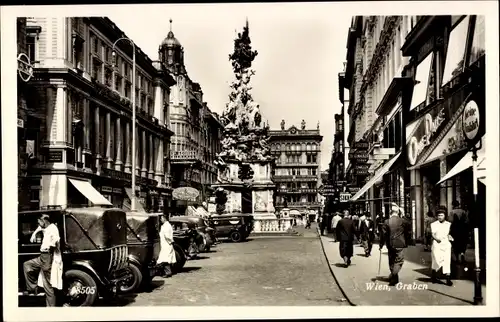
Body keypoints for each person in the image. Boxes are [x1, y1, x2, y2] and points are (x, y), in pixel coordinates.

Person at [23, 214, 62, 307]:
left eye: (39, 222)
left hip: (48, 257)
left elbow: (56, 242)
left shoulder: (53, 228)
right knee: (27, 265)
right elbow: (39, 228)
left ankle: (51, 307)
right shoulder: (46, 226)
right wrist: (33, 234)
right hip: (42, 257)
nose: (38, 224)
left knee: (47, 284)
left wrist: (50, 248)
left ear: (44, 220)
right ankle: (33, 288)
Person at [379, 203, 412, 286]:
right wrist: (404, 215)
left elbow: (383, 235)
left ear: (390, 212)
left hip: (390, 244)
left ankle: (394, 278)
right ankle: (394, 275)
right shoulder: (402, 221)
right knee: (399, 260)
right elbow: (409, 227)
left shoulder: (386, 222)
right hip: (400, 243)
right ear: (398, 212)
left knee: (391, 260)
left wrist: (381, 245)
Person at [430, 206, 454, 286]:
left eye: (442, 215)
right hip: (437, 244)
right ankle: (433, 275)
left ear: (445, 216)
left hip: (446, 244)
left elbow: (449, 234)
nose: (440, 217)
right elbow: (433, 234)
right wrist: (436, 239)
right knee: (436, 260)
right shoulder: (433, 224)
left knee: (447, 261)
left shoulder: (448, 224)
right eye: (439, 215)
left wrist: (450, 238)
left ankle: (448, 279)